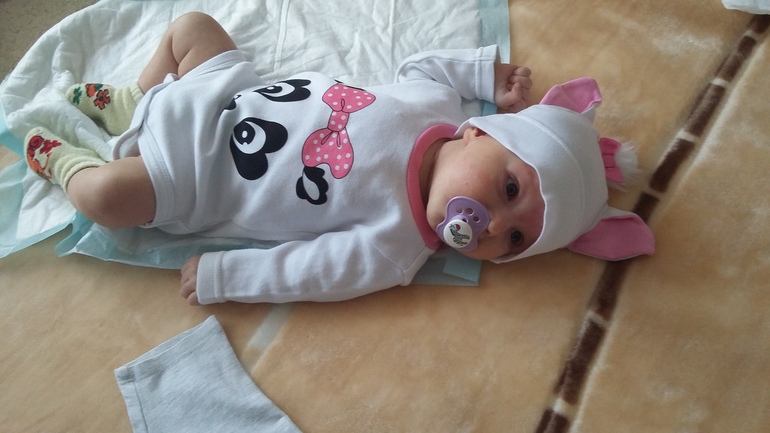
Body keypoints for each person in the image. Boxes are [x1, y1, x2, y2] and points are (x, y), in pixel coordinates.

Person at [24, 12, 654, 306]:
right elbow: (423, 65)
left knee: (109, 200)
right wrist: (484, 76)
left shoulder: (396, 245)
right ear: (478, 133)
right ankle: (137, 100)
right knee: (192, 27)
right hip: (226, 93)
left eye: (515, 240)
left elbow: (312, 272)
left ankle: (66, 162)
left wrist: (227, 278)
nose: (491, 225)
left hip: (194, 178)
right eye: (510, 190)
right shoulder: (436, 103)